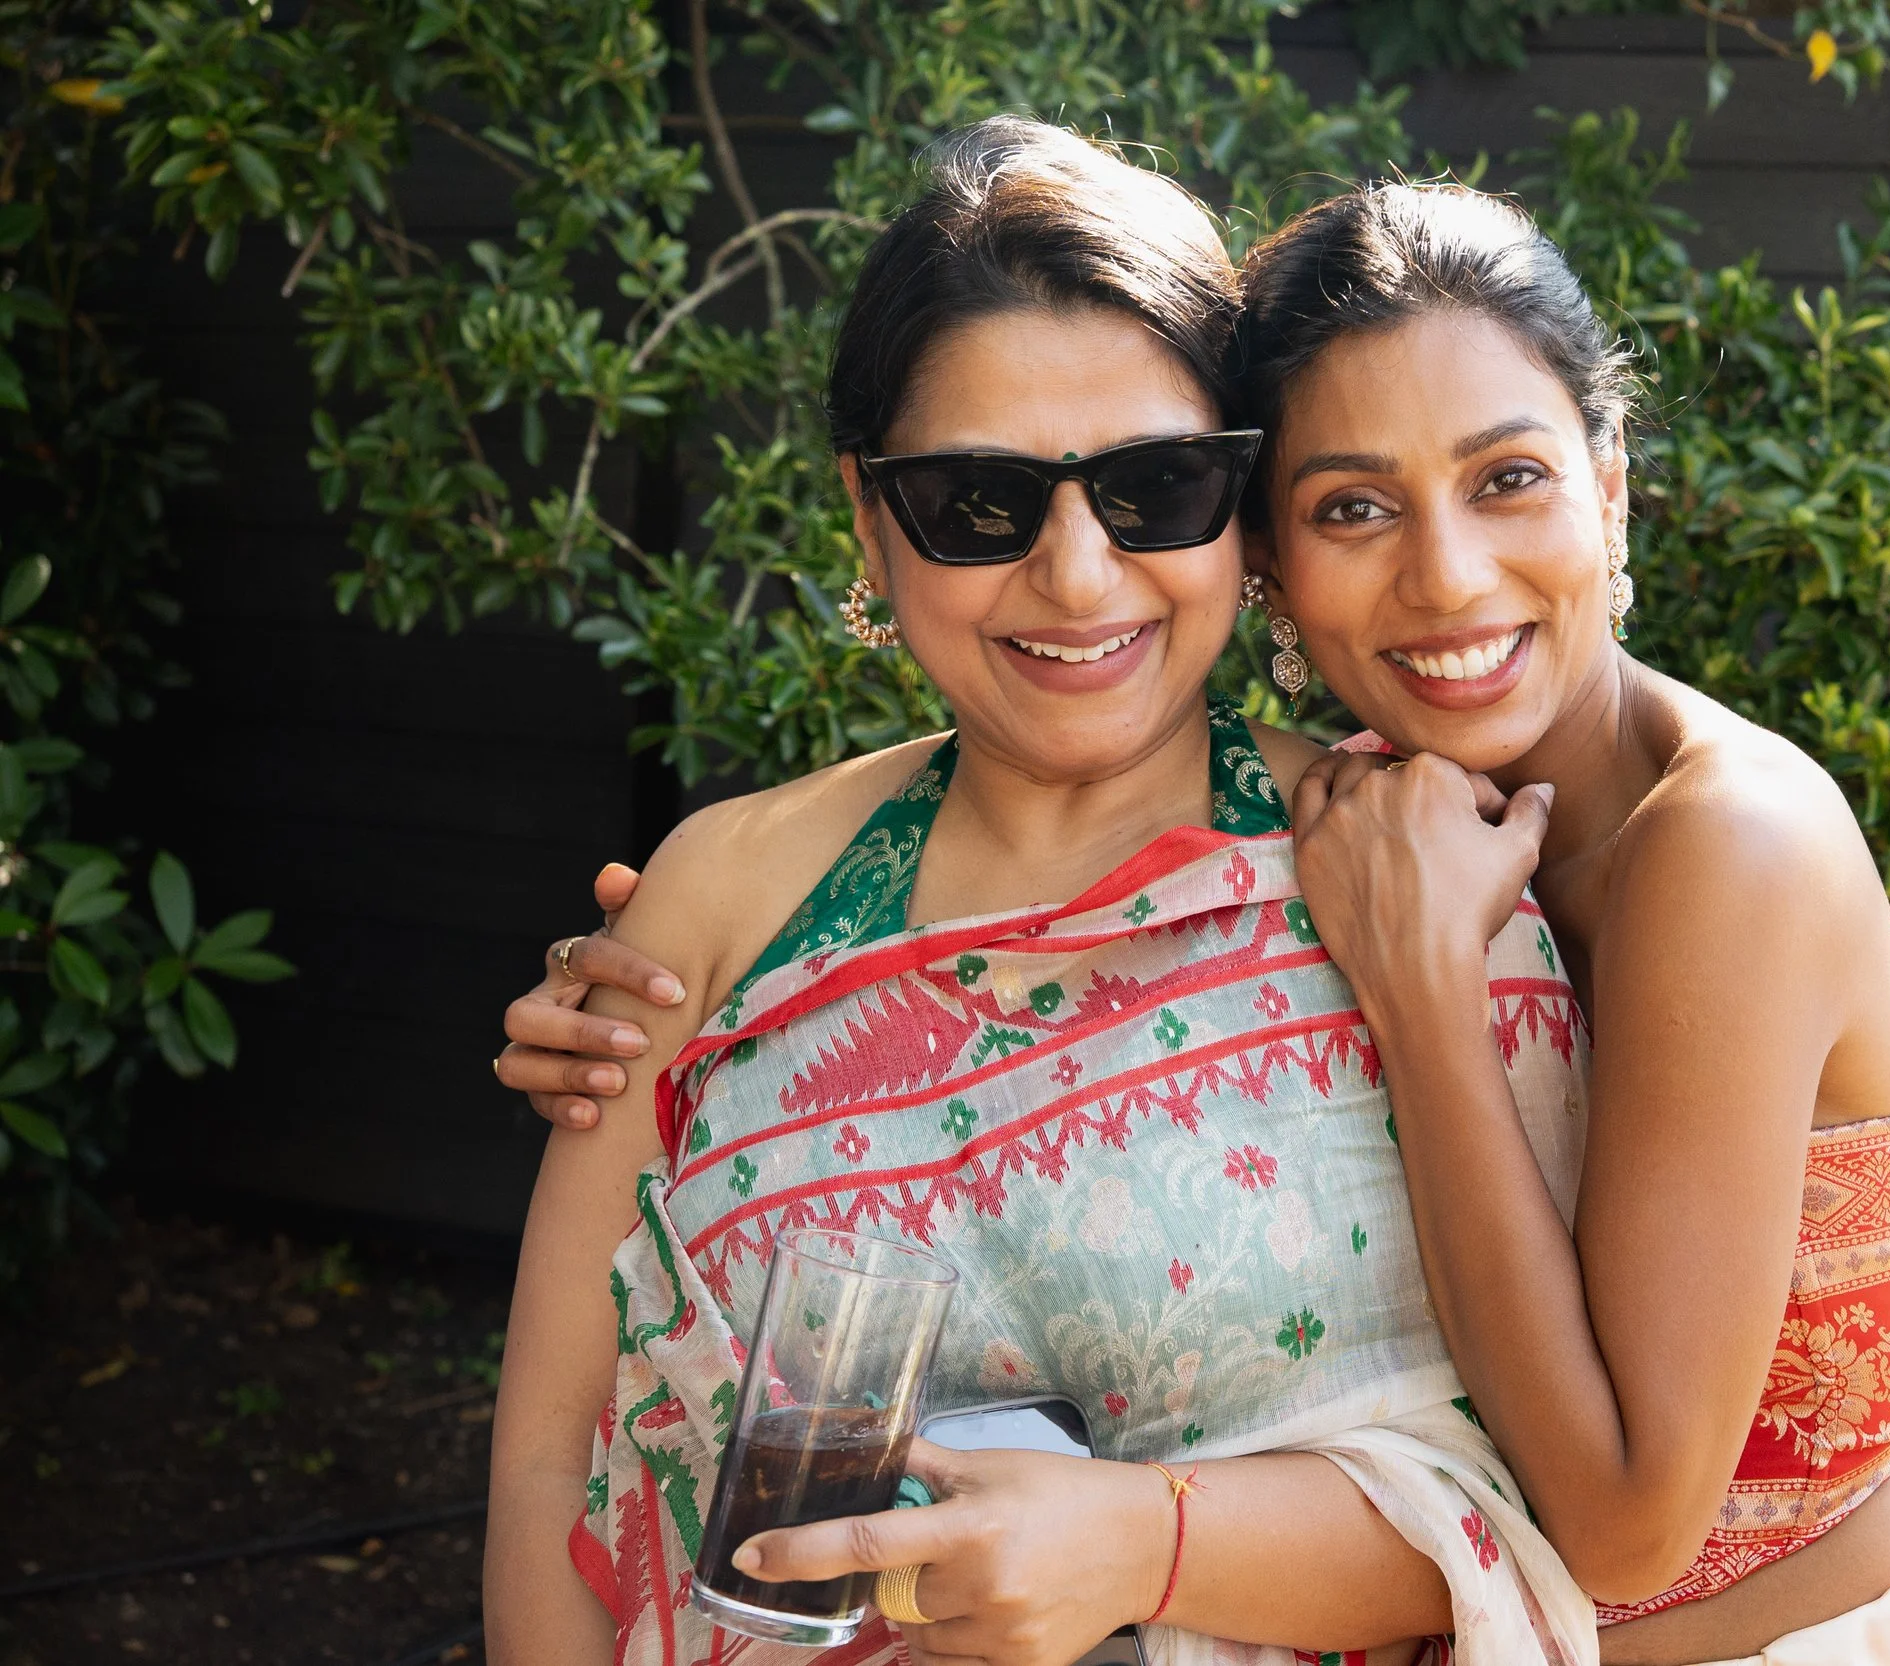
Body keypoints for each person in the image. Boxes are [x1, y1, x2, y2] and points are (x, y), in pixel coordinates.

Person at [498, 170, 1890, 1663]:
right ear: (1279, 558)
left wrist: (1423, 992)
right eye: (1356, 505)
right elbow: (565, 1449)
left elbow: (1611, 1512)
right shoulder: (1384, 823)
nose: (1446, 578)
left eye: (1153, 485)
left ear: (1612, 483)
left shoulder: (1636, 854)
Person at [484, 119, 1598, 1666]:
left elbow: (1569, 1522)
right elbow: (557, 1455)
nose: (1078, 577)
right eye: (980, 503)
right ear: (873, 522)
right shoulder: (720, 902)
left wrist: (1151, 1548)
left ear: (1247, 512)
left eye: (1154, 487)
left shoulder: (1413, 874)